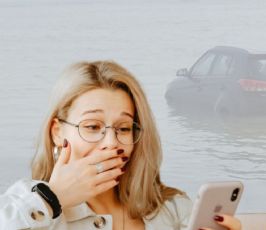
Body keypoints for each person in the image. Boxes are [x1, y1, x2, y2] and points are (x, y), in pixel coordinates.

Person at [0, 61, 242, 230]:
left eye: (123, 128)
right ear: (57, 131)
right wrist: (54, 198)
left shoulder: (174, 209)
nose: (111, 143)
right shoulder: (25, 210)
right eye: (92, 127)